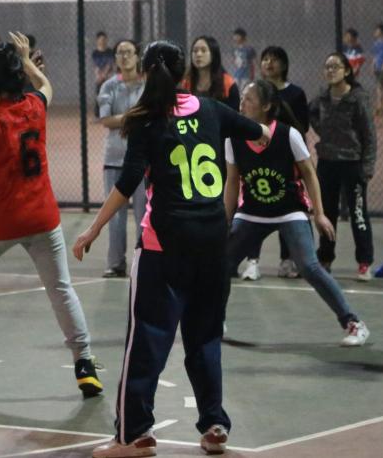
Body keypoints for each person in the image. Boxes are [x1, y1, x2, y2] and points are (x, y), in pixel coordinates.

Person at [73, 40, 270, 458]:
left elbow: (127, 184)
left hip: (164, 246)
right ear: (183, 75)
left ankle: (134, 435)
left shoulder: (145, 119)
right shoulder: (212, 109)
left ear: (146, 73)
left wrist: (92, 229)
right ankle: (214, 423)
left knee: (147, 339)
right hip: (213, 244)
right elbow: (261, 134)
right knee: (205, 337)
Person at [0, 32, 102, 398]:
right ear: (19, 73)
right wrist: (28, 61)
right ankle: (84, 364)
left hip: (2, 220)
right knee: (61, 289)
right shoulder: (35, 104)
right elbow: (46, 85)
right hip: (43, 216)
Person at [225, 80, 370, 347]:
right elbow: (232, 181)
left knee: (310, 267)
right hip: (252, 212)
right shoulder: (233, 138)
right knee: (220, 264)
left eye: (248, 99)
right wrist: (226, 220)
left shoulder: (288, 135)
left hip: (289, 210)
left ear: (266, 106)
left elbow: (309, 173)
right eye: (242, 98)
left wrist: (319, 214)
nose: (241, 103)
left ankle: (353, 323)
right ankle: (213, 319)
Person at [244, 45, 310, 280]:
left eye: (274, 59)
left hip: (284, 161)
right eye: (265, 59)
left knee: (286, 209)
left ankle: (287, 260)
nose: (269, 63)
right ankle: (252, 261)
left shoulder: (296, 94)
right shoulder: (255, 92)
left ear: (284, 64)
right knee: (253, 210)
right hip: (257, 158)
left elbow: (303, 126)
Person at [309, 52, 377, 280]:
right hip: (327, 163)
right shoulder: (322, 97)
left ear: (347, 71)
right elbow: (311, 114)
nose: (330, 71)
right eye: (327, 67)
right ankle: (325, 258)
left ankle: (364, 262)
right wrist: (323, 131)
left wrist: (367, 167)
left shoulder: (358, 98)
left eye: (335, 67)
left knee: (358, 214)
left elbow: (369, 135)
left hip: (352, 164)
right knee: (327, 213)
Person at [96, 39, 145, 278]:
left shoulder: (147, 85)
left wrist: (123, 118)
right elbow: (106, 120)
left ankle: (143, 262)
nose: (124, 56)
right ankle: (116, 263)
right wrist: (137, 116)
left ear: (137, 56)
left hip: (142, 161)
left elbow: (151, 117)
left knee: (144, 214)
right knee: (115, 216)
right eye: (119, 53)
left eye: (128, 52)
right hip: (114, 160)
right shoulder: (108, 86)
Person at [182, 35, 239, 110]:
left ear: (213, 54)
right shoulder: (186, 82)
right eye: (195, 51)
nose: (198, 54)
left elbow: (234, 113)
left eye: (203, 50)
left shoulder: (227, 83)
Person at [92, 31, 115, 95]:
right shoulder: (95, 53)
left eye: (104, 39)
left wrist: (104, 75)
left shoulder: (110, 52)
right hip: (100, 76)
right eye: (101, 40)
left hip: (108, 75)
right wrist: (98, 76)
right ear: (97, 41)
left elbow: (109, 64)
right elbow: (96, 66)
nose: (103, 42)